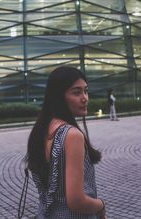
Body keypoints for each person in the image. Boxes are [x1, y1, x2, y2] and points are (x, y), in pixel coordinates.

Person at [26, 66, 107, 219]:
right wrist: (101, 205)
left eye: (86, 91)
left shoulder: (41, 129)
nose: (85, 98)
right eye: (76, 92)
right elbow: (76, 201)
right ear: (59, 97)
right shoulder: (72, 135)